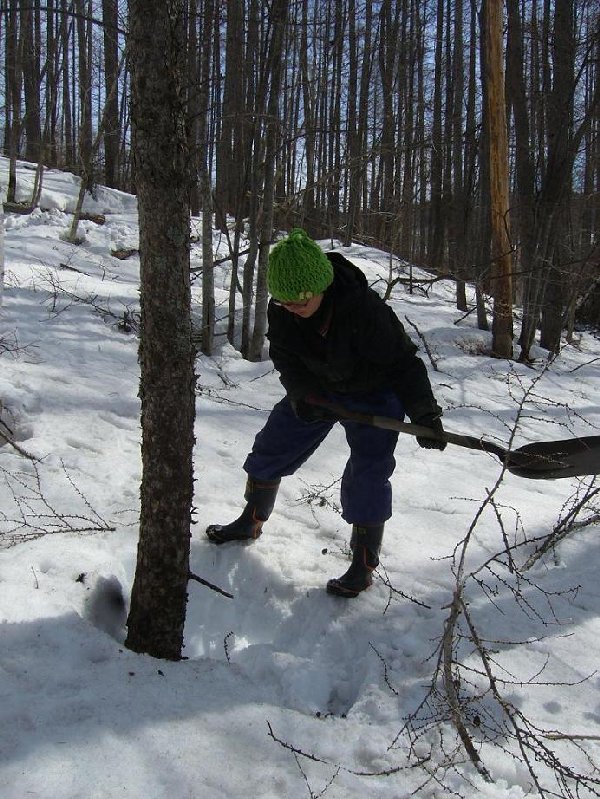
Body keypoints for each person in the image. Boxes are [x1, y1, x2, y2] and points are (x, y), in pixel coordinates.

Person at [206, 229, 446, 598]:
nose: (292, 308)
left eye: (300, 300)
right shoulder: (283, 309)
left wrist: (425, 415)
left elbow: (404, 364)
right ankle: (250, 519)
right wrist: (302, 394)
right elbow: (285, 357)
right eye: (283, 301)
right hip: (321, 391)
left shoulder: (364, 311)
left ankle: (363, 565)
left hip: (374, 393)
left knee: (368, 473)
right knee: (272, 445)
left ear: (322, 285)